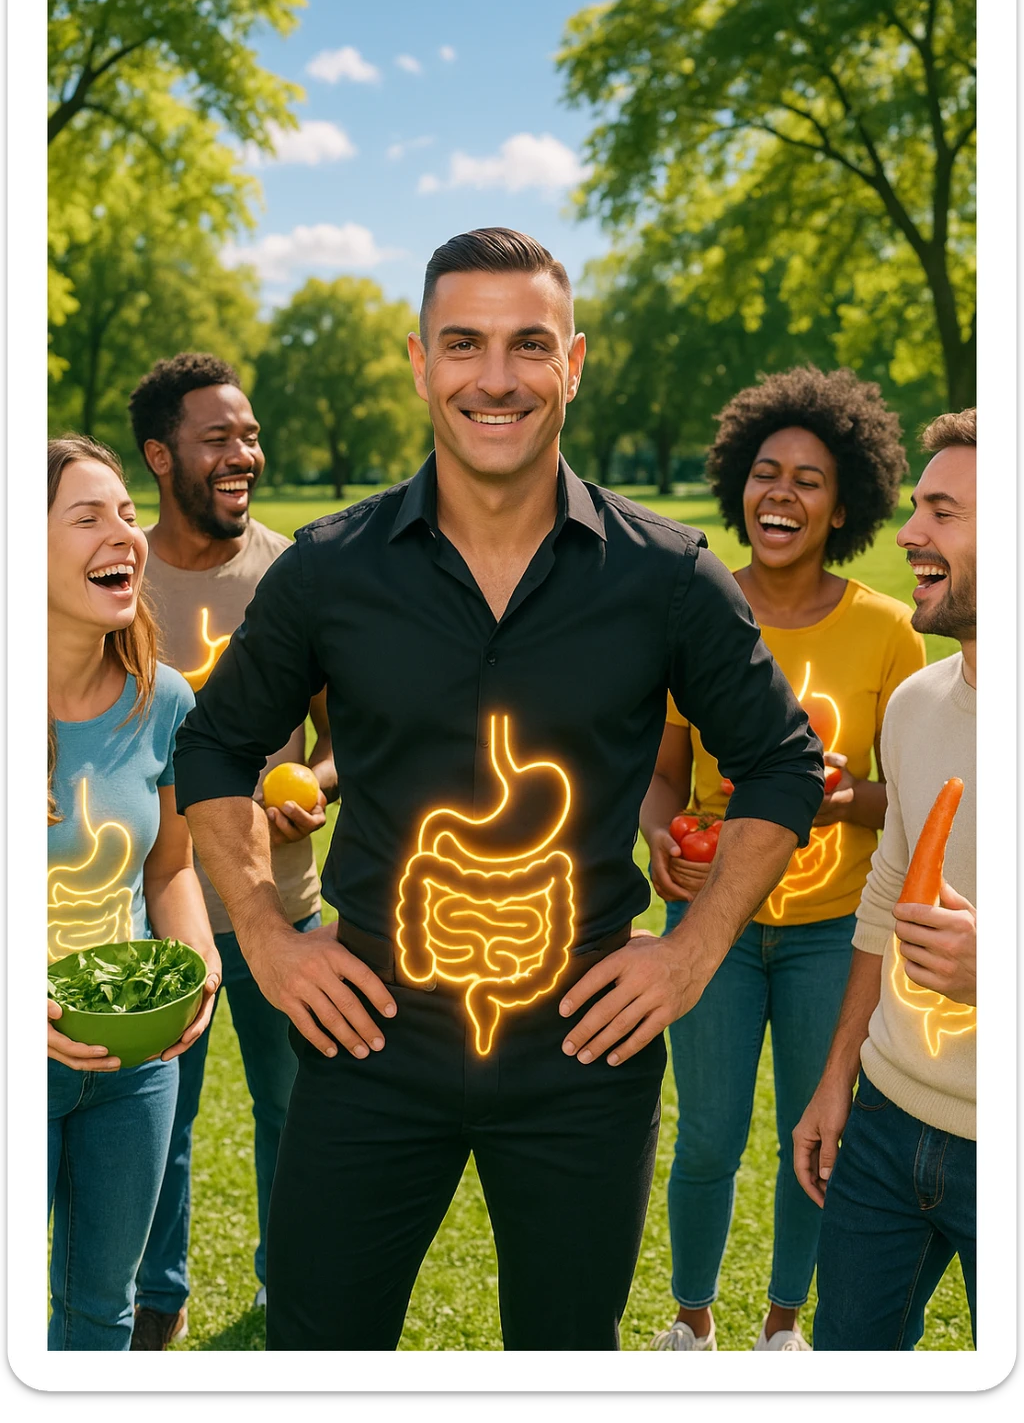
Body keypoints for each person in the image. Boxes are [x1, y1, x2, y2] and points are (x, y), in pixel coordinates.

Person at [172, 227, 825, 1352]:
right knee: (319, 1349)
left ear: (572, 363)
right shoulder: (328, 569)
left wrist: (691, 949)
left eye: (528, 344)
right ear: (420, 359)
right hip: (366, 1037)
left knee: (563, 1353)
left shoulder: (665, 574)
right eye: (463, 343)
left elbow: (782, 762)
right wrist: (272, 945)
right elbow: (214, 750)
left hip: (583, 1051)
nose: (495, 377)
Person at [643, 368, 926, 1353]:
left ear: (843, 503)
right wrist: (657, 843)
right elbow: (663, 775)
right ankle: (689, 1321)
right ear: (738, 485)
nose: (781, 494)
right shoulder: (698, 610)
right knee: (709, 1136)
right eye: (766, 473)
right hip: (710, 928)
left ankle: (782, 1327)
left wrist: (841, 798)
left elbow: (918, 793)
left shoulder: (889, 633)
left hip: (832, 936)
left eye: (808, 479)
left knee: (818, 1135)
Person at [125, 354, 336, 1349]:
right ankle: (150, 1303)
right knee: (154, 1129)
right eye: (219, 438)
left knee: (292, 1117)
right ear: (160, 456)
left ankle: (286, 1287)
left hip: (279, 908)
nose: (243, 454)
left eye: (248, 435)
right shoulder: (115, 579)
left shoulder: (295, 574)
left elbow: (350, 738)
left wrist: (315, 790)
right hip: (151, 914)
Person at [794, 408, 977, 1350]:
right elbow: (883, 898)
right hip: (885, 1121)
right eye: (915, 510)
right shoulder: (914, 705)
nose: (909, 534)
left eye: (942, 514)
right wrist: (837, 1081)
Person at [47, 435, 220, 1351]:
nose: (124, 533)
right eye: (87, 517)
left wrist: (199, 955)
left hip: (136, 1065)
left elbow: (171, 869)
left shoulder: (166, 702)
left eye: (126, 512)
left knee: (102, 1311)